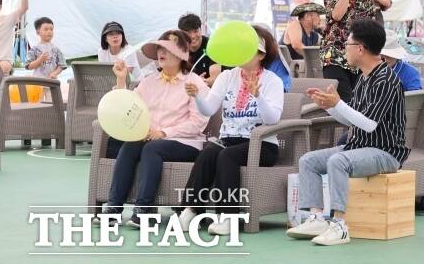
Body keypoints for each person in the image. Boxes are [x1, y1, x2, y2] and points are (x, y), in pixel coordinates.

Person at [286, 19, 409, 246]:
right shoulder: (363, 77)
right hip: (360, 147)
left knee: (337, 160)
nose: (345, 49)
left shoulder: (386, 79)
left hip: (386, 152)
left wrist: (338, 104)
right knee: (308, 160)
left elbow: (370, 124)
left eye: (348, 44)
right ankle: (316, 217)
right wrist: (330, 105)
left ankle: (339, 225)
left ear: (360, 48)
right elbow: (353, 121)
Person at [96, 30, 209, 227]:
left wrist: (164, 133)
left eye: (167, 49)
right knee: (130, 145)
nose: (160, 53)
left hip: (185, 142)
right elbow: (127, 106)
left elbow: (197, 123)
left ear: (182, 54)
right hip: (151, 139)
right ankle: (114, 208)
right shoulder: (149, 82)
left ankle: (143, 210)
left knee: (151, 148)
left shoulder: (194, 83)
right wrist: (121, 80)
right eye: (159, 48)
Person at [178, 28, 284, 235]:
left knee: (227, 156)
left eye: (247, 49)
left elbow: (273, 119)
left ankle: (229, 218)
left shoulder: (272, 81)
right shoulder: (227, 76)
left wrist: (257, 95)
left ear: (261, 54)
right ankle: (189, 210)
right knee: (209, 152)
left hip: (262, 144)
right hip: (230, 139)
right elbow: (208, 109)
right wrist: (197, 95)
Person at [321, 0, 377, 103]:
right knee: (343, 102)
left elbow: (369, 29)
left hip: (359, 58)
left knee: (359, 102)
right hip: (335, 56)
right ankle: (344, 128)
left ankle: (352, 128)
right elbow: (336, 16)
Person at [178, 13, 220, 86]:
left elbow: (215, 79)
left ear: (201, 29)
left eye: (196, 31)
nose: (193, 36)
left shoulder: (212, 46)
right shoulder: (177, 48)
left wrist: (199, 83)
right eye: (188, 33)